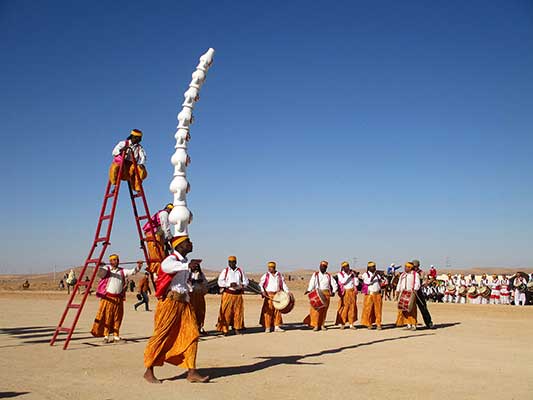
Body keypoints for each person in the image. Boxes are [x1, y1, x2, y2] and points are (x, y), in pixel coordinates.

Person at [143, 235, 209, 384]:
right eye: (187, 242)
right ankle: (149, 369)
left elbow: (185, 283)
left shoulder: (185, 262)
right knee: (162, 335)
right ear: (179, 246)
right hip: (169, 304)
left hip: (184, 304)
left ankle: (192, 371)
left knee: (192, 333)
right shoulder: (171, 260)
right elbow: (166, 268)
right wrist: (187, 267)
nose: (191, 244)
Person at [91, 255, 142, 343]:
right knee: (107, 317)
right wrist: (98, 264)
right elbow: (98, 272)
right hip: (108, 298)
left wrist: (138, 266)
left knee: (117, 317)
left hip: (118, 298)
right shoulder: (106, 269)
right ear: (110, 261)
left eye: (117, 260)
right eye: (114, 260)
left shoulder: (122, 271)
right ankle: (106, 336)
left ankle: (116, 336)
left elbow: (132, 272)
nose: (116, 261)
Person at [216, 256, 249, 335]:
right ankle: (225, 329)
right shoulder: (225, 271)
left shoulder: (240, 271)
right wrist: (229, 284)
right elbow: (220, 282)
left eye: (233, 262)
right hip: (228, 294)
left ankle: (237, 328)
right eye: (230, 262)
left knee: (238, 312)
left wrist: (240, 285)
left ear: (235, 262)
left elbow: (246, 281)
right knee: (226, 312)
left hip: (237, 295)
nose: (231, 263)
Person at [304, 261, 338, 331]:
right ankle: (315, 325)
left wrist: (334, 291)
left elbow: (334, 284)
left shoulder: (328, 275)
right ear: (320, 266)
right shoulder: (315, 274)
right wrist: (309, 290)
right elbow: (312, 283)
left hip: (326, 294)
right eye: (321, 266)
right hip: (317, 293)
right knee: (316, 310)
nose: (322, 267)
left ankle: (322, 325)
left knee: (324, 310)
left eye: (324, 267)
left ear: (326, 268)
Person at [143, 203, 174, 277]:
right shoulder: (164, 213)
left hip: (153, 233)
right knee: (157, 252)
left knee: (156, 252)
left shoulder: (160, 213)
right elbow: (165, 226)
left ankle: (156, 270)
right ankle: (157, 271)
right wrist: (170, 238)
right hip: (154, 234)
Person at [259, 261, 290, 333]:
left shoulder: (279, 275)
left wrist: (287, 292)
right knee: (268, 311)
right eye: (269, 267)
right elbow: (260, 284)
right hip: (269, 295)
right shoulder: (266, 275)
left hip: (277, 295)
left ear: (274, 268)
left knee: (277, 311)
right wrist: (263, 291)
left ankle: (277, 326)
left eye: (271, 267)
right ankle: (267, 327)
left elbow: (283, 284)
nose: (269, 269)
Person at [395, 262, 421, 330]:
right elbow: (399, 283)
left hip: (411, 293)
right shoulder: (402, 275)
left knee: (412, 309)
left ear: (410, 268)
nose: (405, 268)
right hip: (403, 293)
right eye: (405, 267)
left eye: (406, 267)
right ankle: (408, 324)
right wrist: (397, 291)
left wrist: (415, 289)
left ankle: (414, 324)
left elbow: (417, 283)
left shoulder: (415, 274)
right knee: (404, 309)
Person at [335, 261, 359, 330]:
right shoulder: (340, 274)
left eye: (348, 266)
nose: (347, 268)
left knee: (352, 307)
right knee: (344, 308)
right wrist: (349, 276)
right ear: (343, 268)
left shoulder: (352, 273)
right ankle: (342, 323)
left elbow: (356, 284)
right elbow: (343, 282)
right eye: (345, 267)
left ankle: (351, 324)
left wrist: (356, 276)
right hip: (345, 292)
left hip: (352, 292)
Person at [360, 262, 384, 330]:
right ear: (369, 268)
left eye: (375, 266)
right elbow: (367, 282)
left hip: (377, 294)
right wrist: (374, 276)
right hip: (370, 294)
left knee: (378, 310)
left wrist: (381, 277)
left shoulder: (377, 275)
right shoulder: (365, 274)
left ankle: (378, 323)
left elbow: (382, 282)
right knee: (369, 309)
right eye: (373, 267)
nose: (374, 268)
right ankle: (369, 324)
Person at [411, 260, 434, 328]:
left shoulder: (421, 273)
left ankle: (429, 323)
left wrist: (425, 283)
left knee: (423, 307)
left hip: (418, 292)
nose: (414, 267)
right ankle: (411, 323)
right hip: (410, 292)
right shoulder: (410, 273)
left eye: (415, 266)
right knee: (410, 308)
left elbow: (425, 282)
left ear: (418, 266)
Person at [189, 262, 208, 334]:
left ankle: (200, 327)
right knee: (192, 311)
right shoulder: (189, 274)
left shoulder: (201, 274)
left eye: (197, 266)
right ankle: (192, 328)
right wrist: (192, 282)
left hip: (199, 294)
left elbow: (206, 283)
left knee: (201, 311)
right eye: (194, 266)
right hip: (191, 295)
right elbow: (186, 282)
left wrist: (201, 281)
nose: (196, 268)